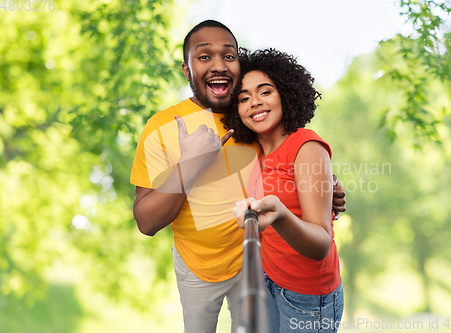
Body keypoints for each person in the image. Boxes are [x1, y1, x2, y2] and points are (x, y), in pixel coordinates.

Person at [130, 20, 346, 333]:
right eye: (204, 57)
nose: (218, 65)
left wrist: (328, 184)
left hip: (260, 266)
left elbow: (292, 154)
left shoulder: (249, 120)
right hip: (197, 266)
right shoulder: (163, 127)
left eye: (229, 56)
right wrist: (189, 165)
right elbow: (146, 223)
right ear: (186, 70)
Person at [226, 48, 343, 333]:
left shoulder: (306, 146)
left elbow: (320, 245)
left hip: (307, 296)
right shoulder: (256, 152)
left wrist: (279, 215)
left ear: (286, 94)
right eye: (243, 98)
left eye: (265, 92)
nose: (254, 102)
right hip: (270, 279)